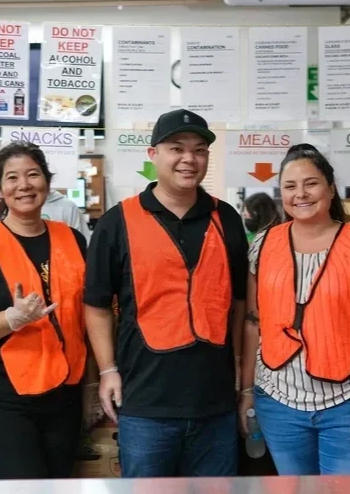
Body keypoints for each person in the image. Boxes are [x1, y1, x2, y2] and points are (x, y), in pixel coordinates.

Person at [84, 109, 248, 478]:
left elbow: (238, 303)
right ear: (153, 154)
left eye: (199, 149)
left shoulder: (228, 219)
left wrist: (238, 364)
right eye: (177, 148)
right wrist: (108, 370)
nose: (189, 159)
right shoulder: (117, 221)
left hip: (216, 405)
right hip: (145, 405)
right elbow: (96, 306)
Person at [239, 144, 350, 476]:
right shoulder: (263, 245)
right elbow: (253, 322)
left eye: (311, 183)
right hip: (277, 402)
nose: (300, 194)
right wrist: (246, 392)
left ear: (330, 189)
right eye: (290, 186)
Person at [0, 142, 88, 481]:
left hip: (65, 399)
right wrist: (12, 318)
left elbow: (87, 318)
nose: (23, 185)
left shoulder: (73, 239)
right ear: (0, 190)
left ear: (47, 183)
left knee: (56, 489)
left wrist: (94, 385)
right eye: (12, 178)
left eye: (33, 175)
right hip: (2, 402)